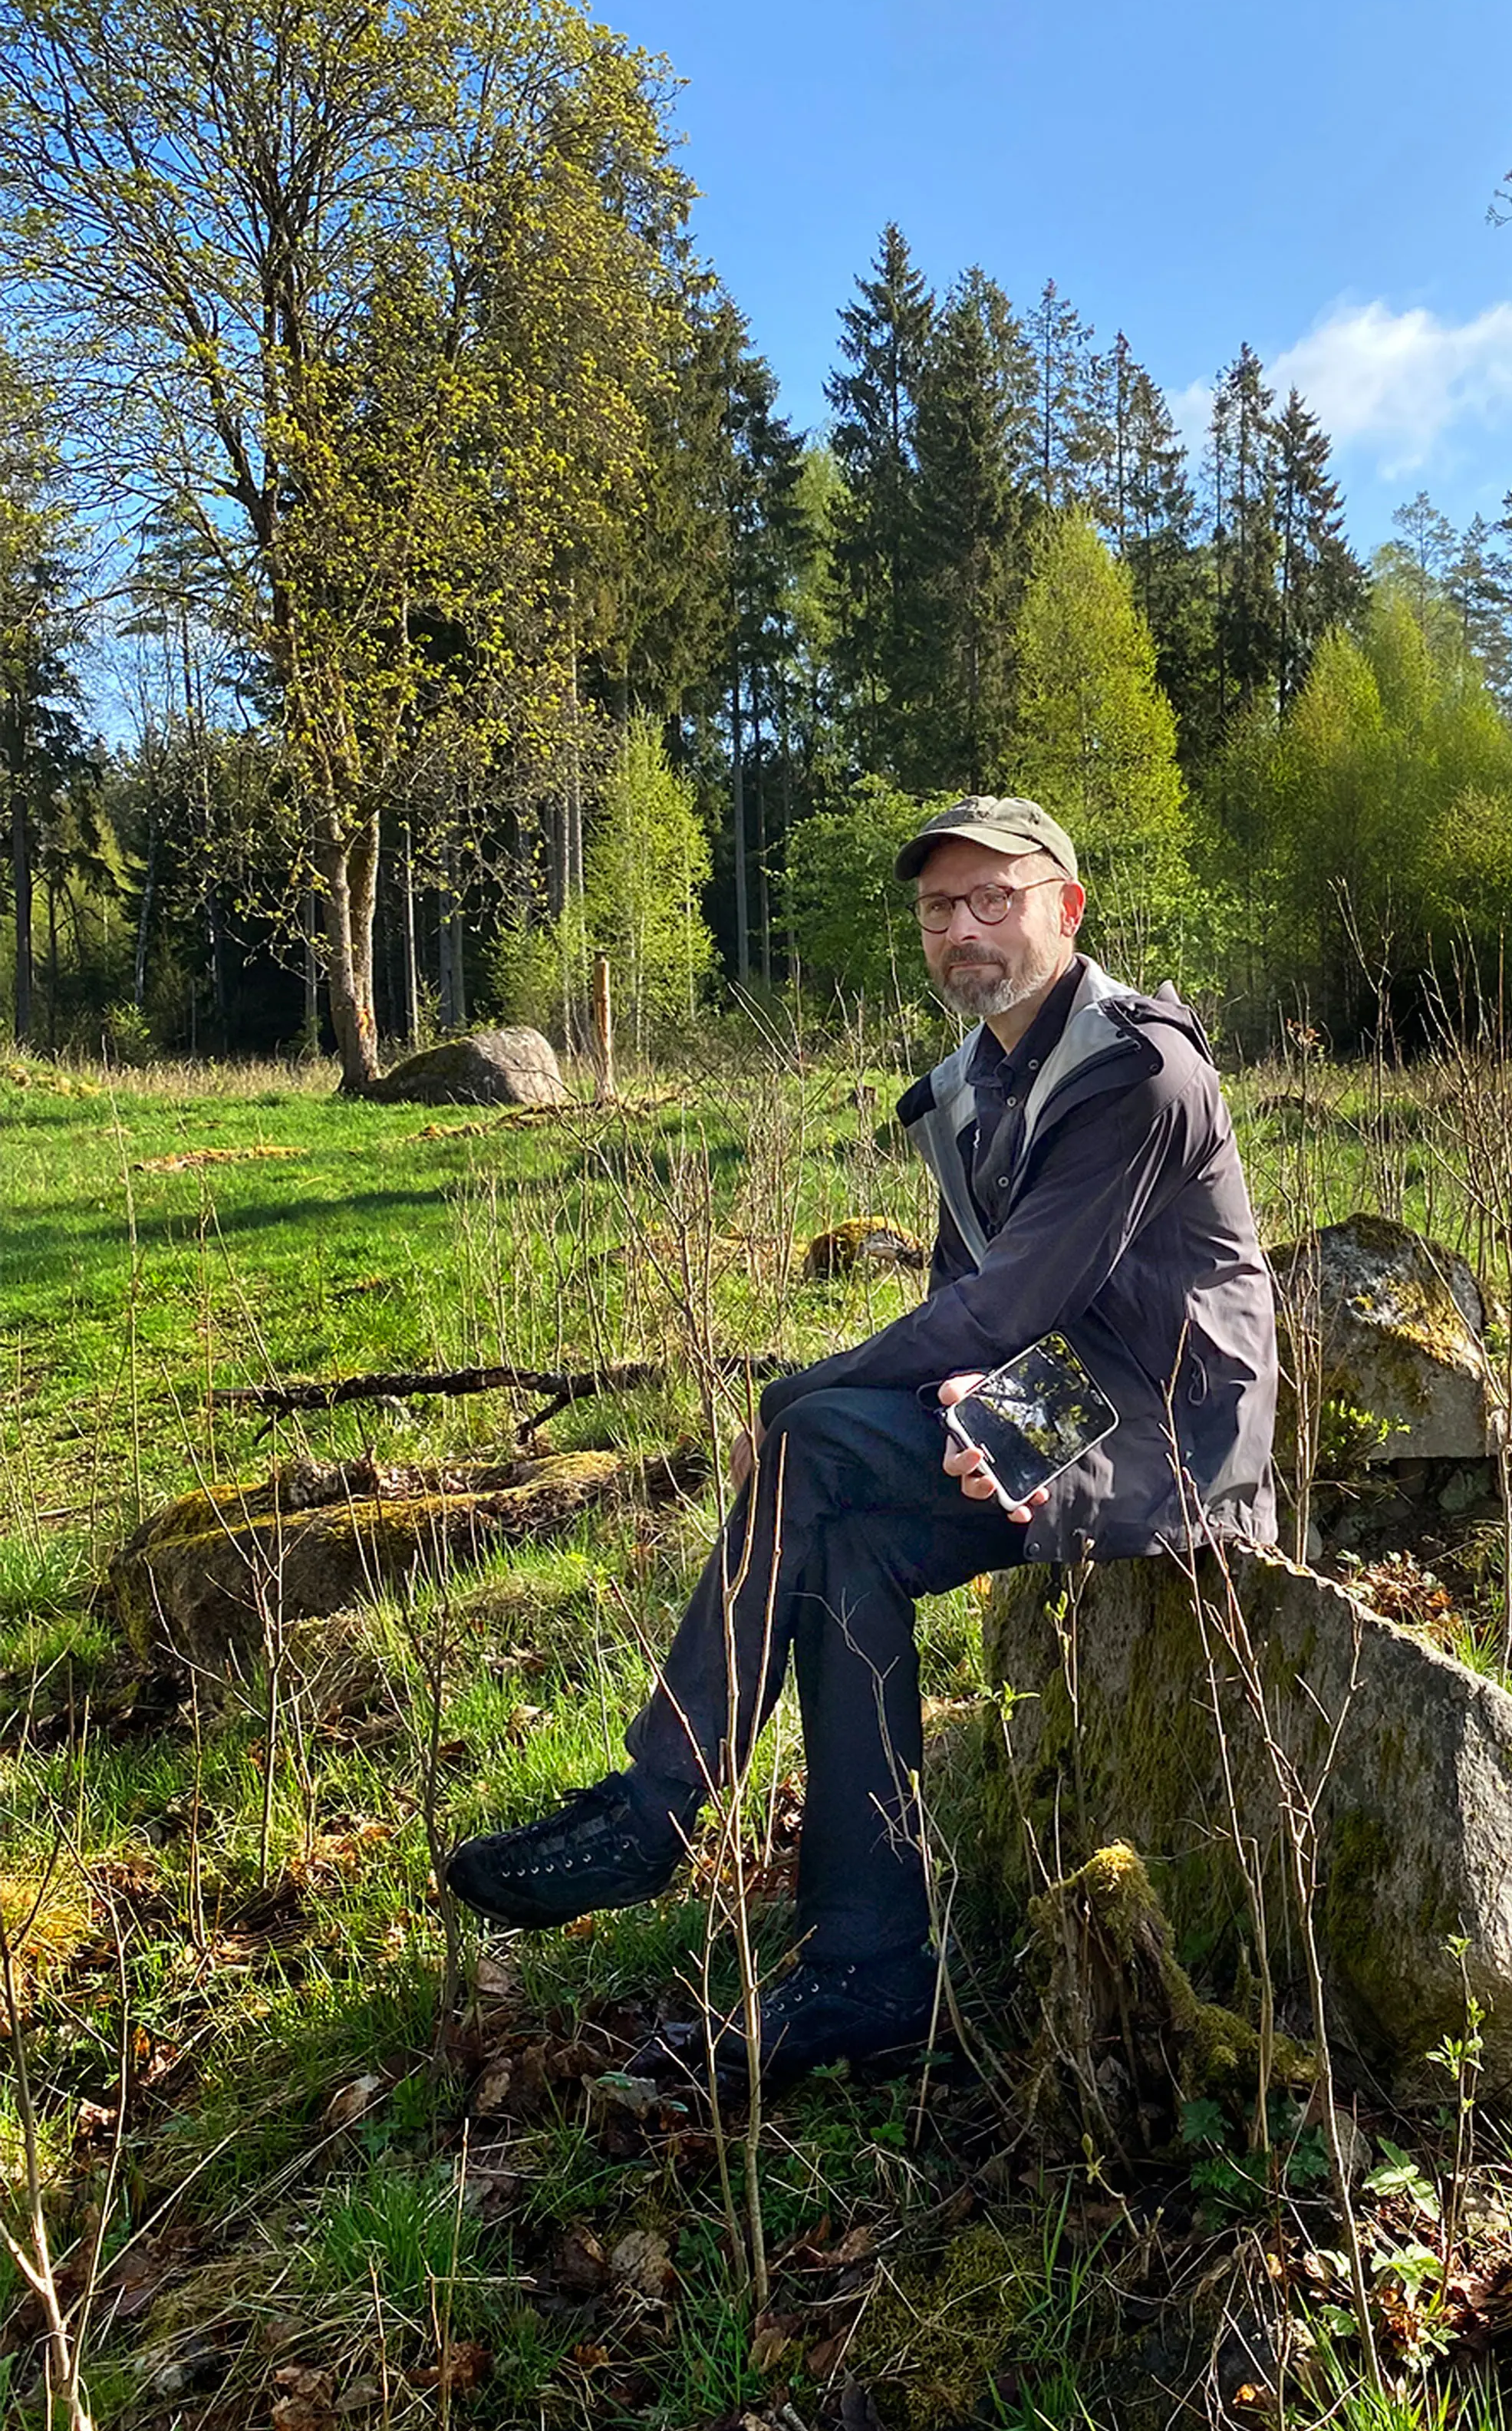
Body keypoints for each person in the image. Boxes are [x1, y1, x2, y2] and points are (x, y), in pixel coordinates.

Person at [444, 796, 1278, 2098]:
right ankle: (870, 1970)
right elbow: (981, 1323)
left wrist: (790, 1405)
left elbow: (1006, 1305)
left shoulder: (1137, 1070)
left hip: (1175, 1419)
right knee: (849, 1550)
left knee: (819, 1441)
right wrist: (974, 1418)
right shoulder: (965, 1092)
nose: (963, 929)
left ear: (1066, 908)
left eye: (993, 899)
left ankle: (660, 1802)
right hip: (1062, 1384)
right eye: (941, 909)